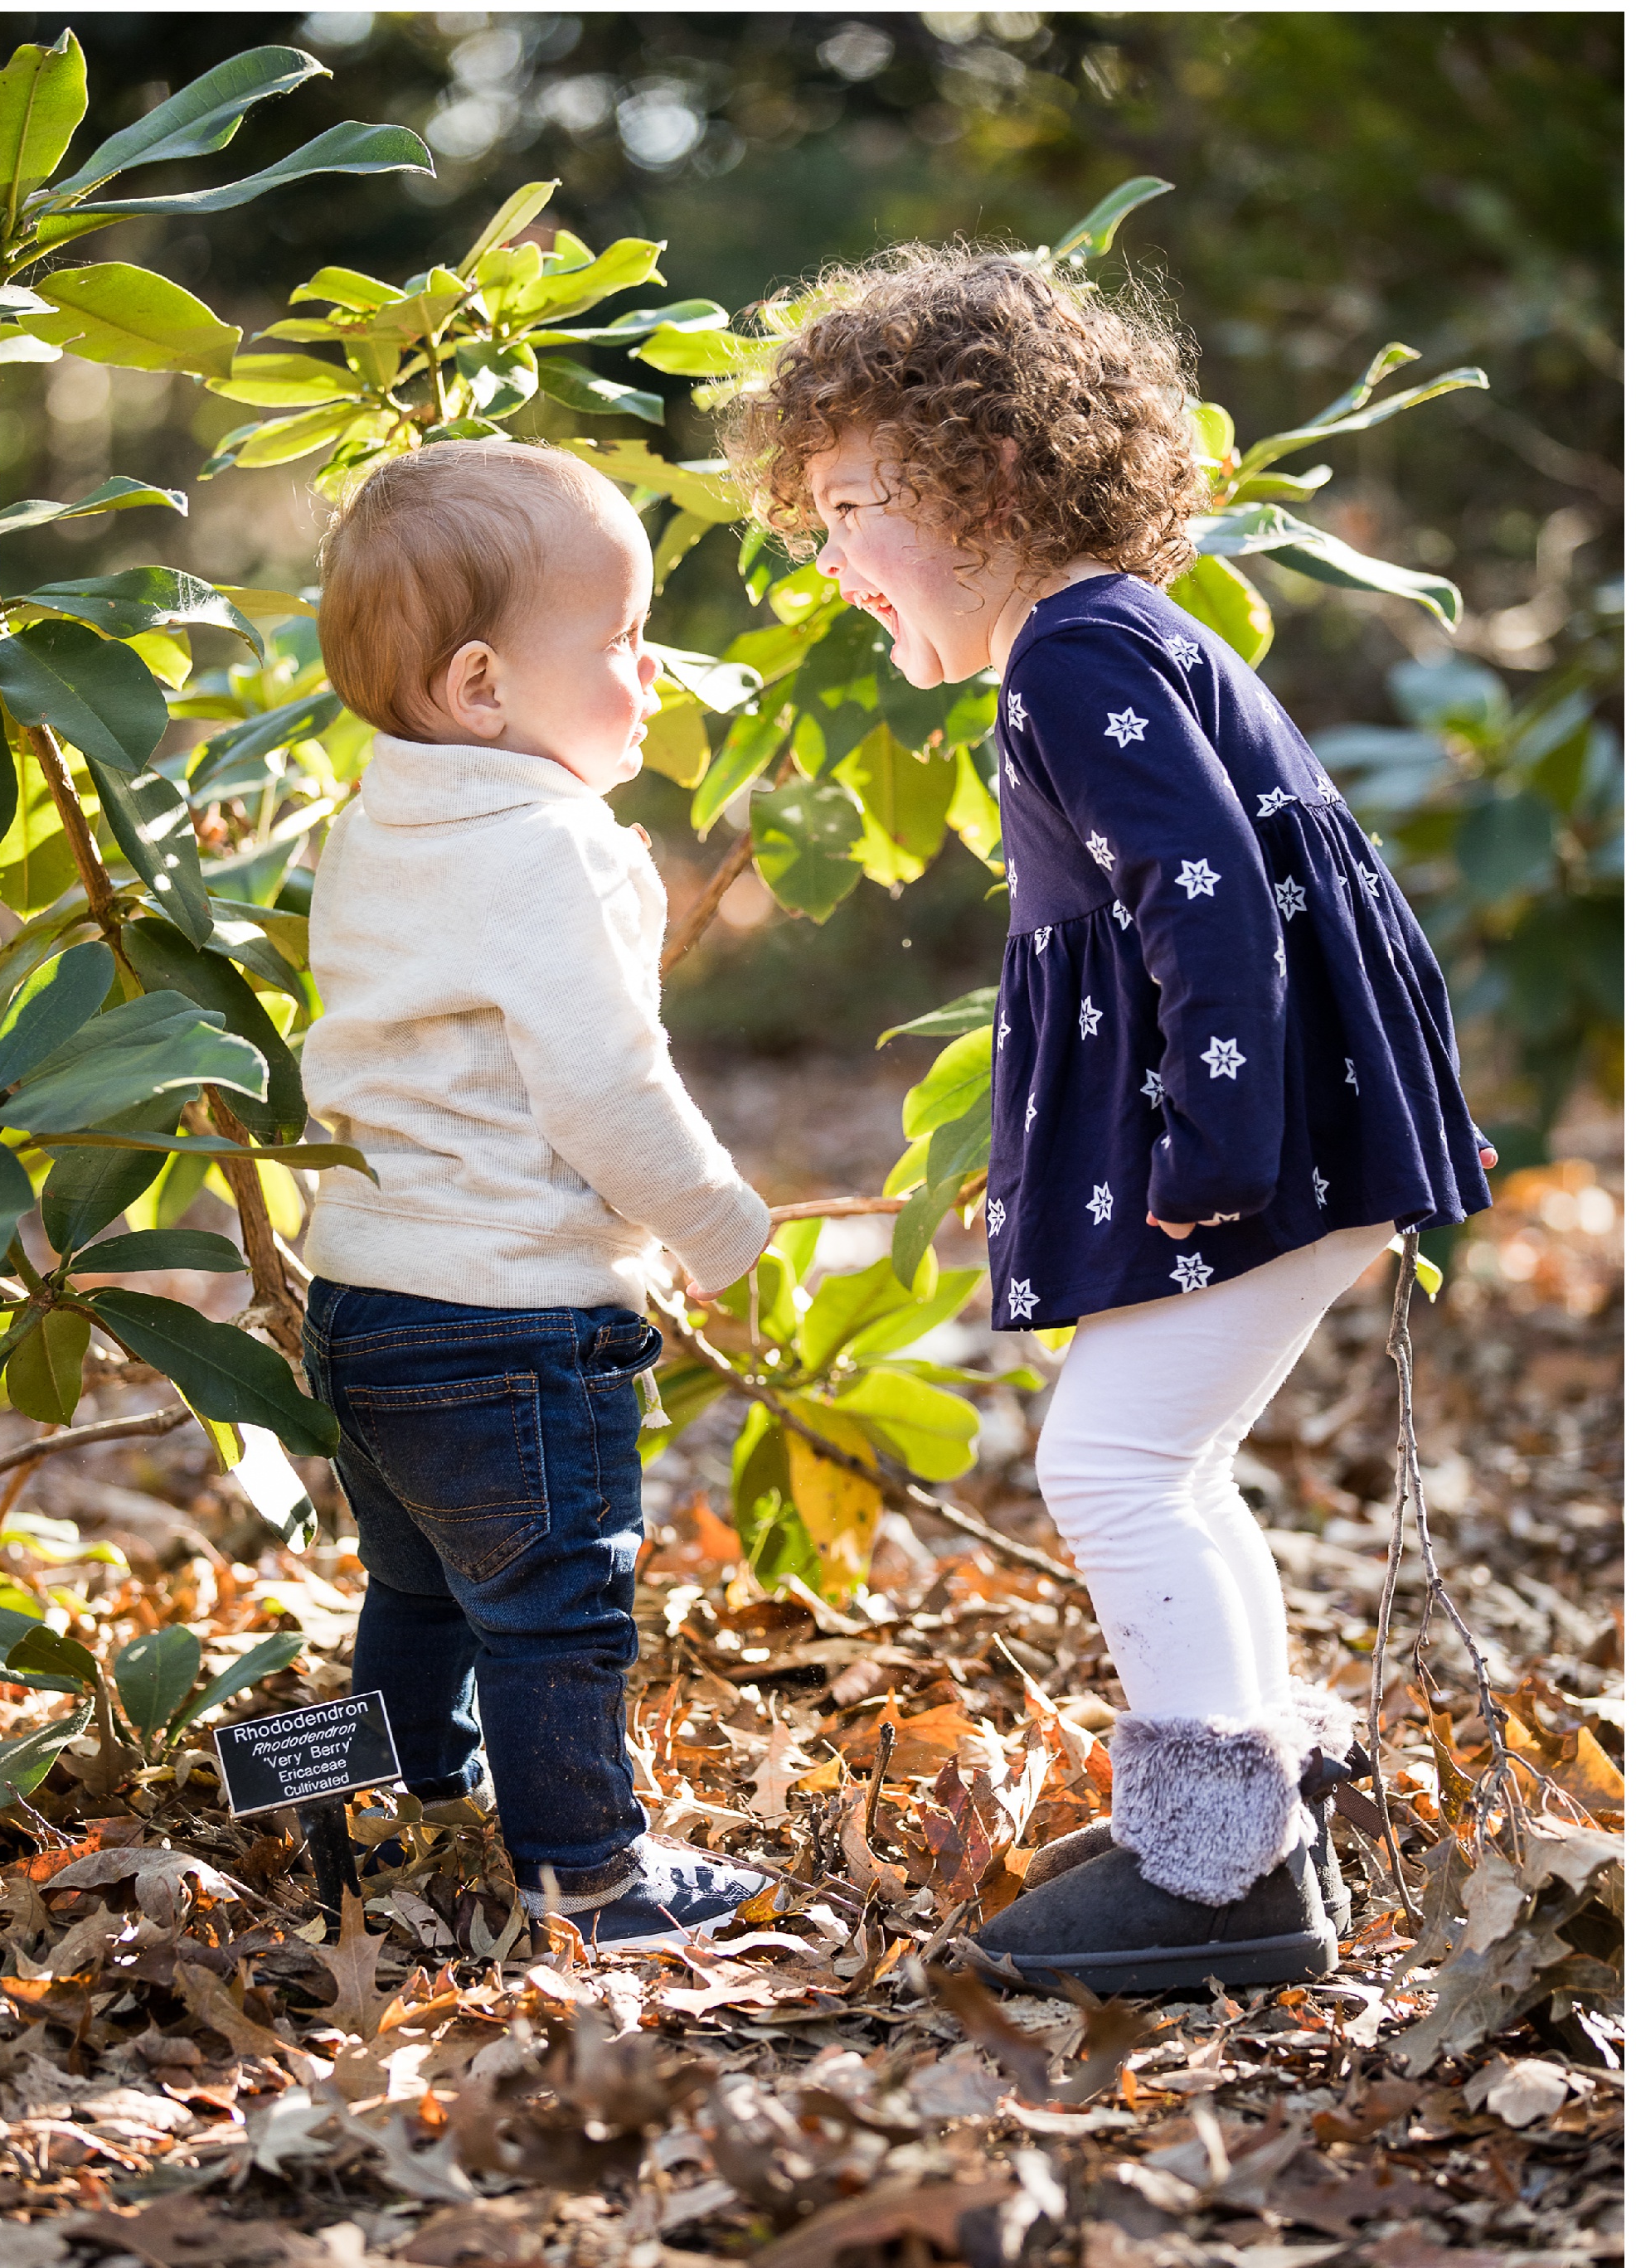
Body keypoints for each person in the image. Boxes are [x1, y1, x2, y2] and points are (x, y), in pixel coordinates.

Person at [725, 246, 1496, 1994]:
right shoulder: (1109, 642)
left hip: (1261, 1139)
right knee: (1166, 1461)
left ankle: (1218, 1872)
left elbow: (1204, 893)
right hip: (1289, 1128)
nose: (830, 561)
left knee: (1111, 1461)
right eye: (816, 514)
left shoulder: (1071, 656)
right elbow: (1171, 925)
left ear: (994, 477)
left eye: (858, 506)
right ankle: (1226, 1812)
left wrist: (1209, 1154)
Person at [300, 439, 771, 1948]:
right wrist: (718, 1225)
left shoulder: (375, 824)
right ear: (485, 685)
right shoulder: (552, 843)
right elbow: (603, 1089)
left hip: (364, 1303)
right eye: (624, 641)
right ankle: (591, 1870)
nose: (652, 671)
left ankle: (386, 1811)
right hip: (512, 1319)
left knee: (423, 1590)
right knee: (558, 1609)